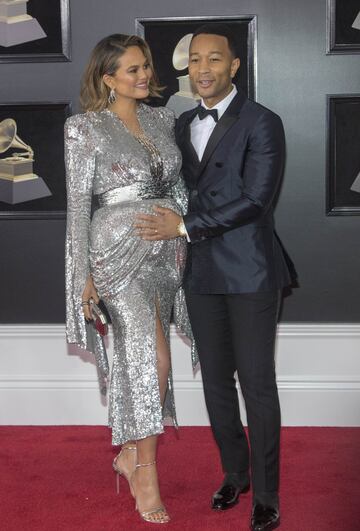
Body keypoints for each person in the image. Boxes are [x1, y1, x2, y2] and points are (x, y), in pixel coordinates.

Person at [135, 24, 294, 531]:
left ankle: (266, 494)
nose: (202, 69)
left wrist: (182, 226)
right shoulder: (181, 124)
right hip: (200, 271)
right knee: (217, 386)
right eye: (195, 61)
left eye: (214, 60)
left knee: (256, 384)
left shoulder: (263, 122)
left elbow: (255, 201)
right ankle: (235, 474)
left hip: (250, 269)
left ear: (233, 66)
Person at [65, 33, 195, 524]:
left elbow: (180, 186)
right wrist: (82, 279)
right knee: (152, 357)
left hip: (165, 254)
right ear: (108, 78)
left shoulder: (164, 119)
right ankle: (145, 470)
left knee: (154, 358)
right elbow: (79, 209)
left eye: (145, 66)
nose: (144, 76)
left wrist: (177, 224)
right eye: (133, 70)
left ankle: (129, 456)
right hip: (115, 255)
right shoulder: (85, 129)